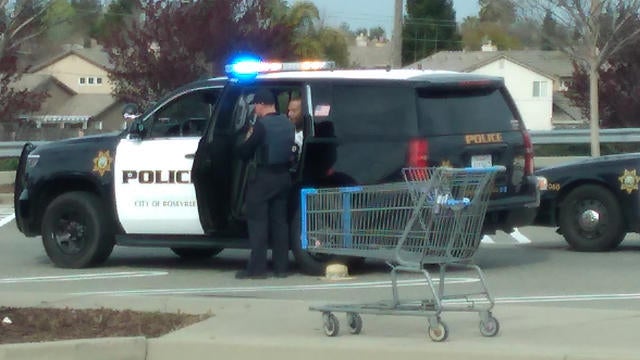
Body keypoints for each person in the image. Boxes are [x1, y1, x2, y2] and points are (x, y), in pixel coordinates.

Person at [236, 88, 295, 279]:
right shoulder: (288, 123)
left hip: (263, 178)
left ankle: (257, 270)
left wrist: (246, 138)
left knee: (258, 223)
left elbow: (245, 152)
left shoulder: (261, 126)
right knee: (280, 223)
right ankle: (281, 268)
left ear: (261, 104)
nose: (254, 109)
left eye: (255, 106)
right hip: (284, 177)